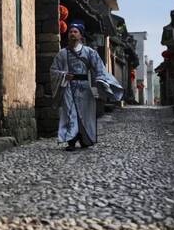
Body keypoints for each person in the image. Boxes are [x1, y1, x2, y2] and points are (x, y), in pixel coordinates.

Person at [50, 21, 123, 151]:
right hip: (68, 87)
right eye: (70, 32)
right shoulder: (62, 54)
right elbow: (53, 70)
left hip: (84, 87)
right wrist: (63, 75)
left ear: (80, 35)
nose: (72, 34)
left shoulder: (89, 52)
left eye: (75, 32)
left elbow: (99, 68)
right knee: (70, 113)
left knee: (85, 114)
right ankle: (71, 141)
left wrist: (102, 80)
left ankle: (85, 138)